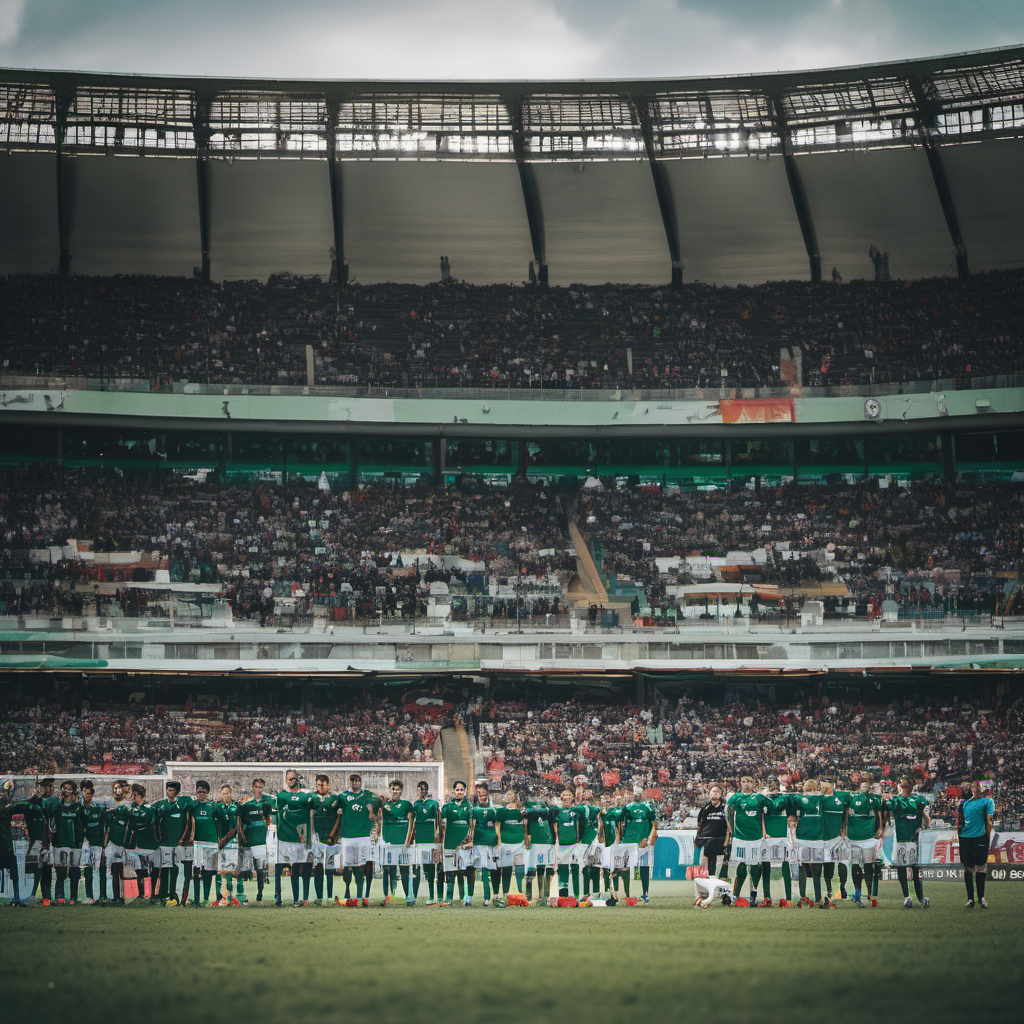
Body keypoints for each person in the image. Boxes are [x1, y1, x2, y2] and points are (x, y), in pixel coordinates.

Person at [726, 775, 767, 907]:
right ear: (740, 783)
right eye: (744, 781)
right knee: (742, 865)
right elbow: (728, 812)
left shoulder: (759, 798)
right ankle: (736, 895)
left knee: (755, 865)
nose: (746, 784)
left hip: (756, 837)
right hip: (740, 838)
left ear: (754, 783)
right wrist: (731, 829)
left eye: (749, 781)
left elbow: (767, 812)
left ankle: (753, 893)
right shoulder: (735, 798)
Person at [274, 769, 313, 908]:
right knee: (278, 868)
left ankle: (297, 899)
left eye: (293, 779)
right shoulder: (282, 796)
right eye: (289, 779)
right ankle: (278, 898)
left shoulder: (306, 796)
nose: (291, 781)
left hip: (299, 840)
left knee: (296, 869)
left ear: (297, 779)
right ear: (286, 780)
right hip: (283, 838)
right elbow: (277, 815)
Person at [891, 776, 930, 909]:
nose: (905, 787)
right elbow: (886, 811)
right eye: (903, 785)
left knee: (915, 868)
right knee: (901, 867)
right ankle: (907, 897)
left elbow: (924, 815)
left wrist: (925, 823)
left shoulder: (918, 800)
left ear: (912, 786)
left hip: (914, 839)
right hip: (901, 839)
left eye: (908, 785)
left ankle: (920, 897)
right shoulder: (896, 801)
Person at [339, 773, 376, 906]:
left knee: (362, 866)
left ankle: (361, 896)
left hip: (363, 836)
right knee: (348, 866)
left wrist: (371, 812)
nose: (355, 783)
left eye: (357, 781)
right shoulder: (343, 796)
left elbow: (371, 805)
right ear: (349, 782)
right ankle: (347, 893)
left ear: (360, 782)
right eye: (352, 781)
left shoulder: (367, 795)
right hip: (348, 836)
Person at [153, 780, 191, 907]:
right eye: (168, 790)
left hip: (178, 842)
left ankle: (173, 893)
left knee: (175, 867)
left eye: (173, 790)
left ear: (177, 792)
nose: (170, 793)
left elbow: (191, 803)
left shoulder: (182, 804)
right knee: (164, 868)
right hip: (165, 842)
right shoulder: (161, 805)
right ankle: (162, 894)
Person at [958, 777, 994, 909]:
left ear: (982, 788)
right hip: (966, 837)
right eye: (974, 786)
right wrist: (960, 835)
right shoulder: (965, 803)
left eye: (978, 786)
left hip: (981, 837)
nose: (976, 788)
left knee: (981, 867)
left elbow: (989, 819)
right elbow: (960, 821)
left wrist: (987, 834)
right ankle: (970, 899)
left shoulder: (987, 801)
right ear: (971, 789)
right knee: (968, 867)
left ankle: (981, 897)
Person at [847, 776, 883, 907]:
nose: (865, 787)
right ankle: (857, 894)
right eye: (863, 785)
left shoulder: (875, 799)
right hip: (854, 838)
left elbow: (879, 813)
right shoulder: (851, 798)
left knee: (869, 866)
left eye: (867, 785)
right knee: (856, 865)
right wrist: (844, 828)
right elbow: (845, 812)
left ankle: (870, 894)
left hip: (869, 838)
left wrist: (881, 827)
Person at [378, 780, 414, 906]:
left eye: (397, 789)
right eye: (393, 789)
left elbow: (411, 823)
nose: (395, 791)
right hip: (388, 843)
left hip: (402, 843)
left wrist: (408, 842)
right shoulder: (384, 805)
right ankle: (386, 896)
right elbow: (380, 821)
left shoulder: (407, 805)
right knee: (387, 869)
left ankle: (408, 896)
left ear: (401, 791)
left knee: (404, 869)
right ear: (389, 790)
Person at [237, 778, 273, 904]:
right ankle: (240, 894)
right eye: (256, 787)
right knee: (243, 868)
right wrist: (242, 838)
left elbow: (269, 818)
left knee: (260, 869)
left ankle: (260, 894)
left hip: (260, 841)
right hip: (248, 841)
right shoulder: (246, 805)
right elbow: (240, 821)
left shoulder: (267, 803)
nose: (258, 789)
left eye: (261, 787)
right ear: (253, 787)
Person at [791, 780, 826, 908]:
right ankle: (817, 897)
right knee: (816, 869)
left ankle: (802, 896)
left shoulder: (801, 799)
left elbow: (793, 817)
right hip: (816, 837)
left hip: (803, 836)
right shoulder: (820, 798)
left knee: (803, 867)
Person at [52, 780, 87, 905]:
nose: (67, 791)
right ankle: (59, 896)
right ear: (61, 789)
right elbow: (52, 823)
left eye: (69, 789)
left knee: (74, 872)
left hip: (74, 844)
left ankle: (73, 897)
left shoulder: (77, 806)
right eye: (65, 788)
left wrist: (80, 840)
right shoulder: (57, 805)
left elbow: (82, 824)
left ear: (73, 791)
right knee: (61, 872)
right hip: (60, 843)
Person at [620, 787, 658, 903]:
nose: (637, 795)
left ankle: (645, 893)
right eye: (636, 793)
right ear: (632, 795)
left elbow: (654, 822)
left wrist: (649, 837)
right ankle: (626, 894)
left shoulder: (648, 807)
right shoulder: (627, 807)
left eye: (640, 793)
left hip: (644, 841)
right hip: (629, 841)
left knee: (644, 866)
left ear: (643, 794)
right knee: (625, 866)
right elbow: (621, 822)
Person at [440, 780, 474, 906]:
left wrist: (470, 839)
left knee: (465, 871)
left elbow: (472, 824)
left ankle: (466, 898)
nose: (459, 792)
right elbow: (441, 824)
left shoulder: (469, 807)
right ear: (453, 791)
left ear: (465, 792)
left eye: (462, 790)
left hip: (464, 843)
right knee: (450, 871)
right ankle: (449, 899)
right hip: (450, 842)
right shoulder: (447, 806)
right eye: (457, 790)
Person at [310, 774, 342, 906]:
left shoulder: (335, 798)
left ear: (328, 785)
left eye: (323, 784)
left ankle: (329, 896)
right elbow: (310, 816)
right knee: (318, 868)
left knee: (329, 868)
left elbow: (339, 817)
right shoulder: (312, 798)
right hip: (317, 837)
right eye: (319, 784)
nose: (321, 787)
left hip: (331, 838)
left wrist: (334, 835)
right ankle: (318, 897)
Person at [126, 783, 160, 904]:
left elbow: (152, 822)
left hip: (150, 842)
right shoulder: (132, 808)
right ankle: (140, 895)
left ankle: (153, 895)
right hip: (137, 842)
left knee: (154, 868)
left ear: (141, 795)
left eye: (135, 794)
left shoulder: (150, 808)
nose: (133, 797)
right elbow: (131, 823)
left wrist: (140, 824)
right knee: (138, 867)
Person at [762, 778, 794, 907]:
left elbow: (790, 814)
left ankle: (788, 897)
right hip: (766, 833)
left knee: (785, 861)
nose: (773, 785)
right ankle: (766, 896)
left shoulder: (784, 797)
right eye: (770, 783)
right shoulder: (763, 796)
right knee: (765, 862)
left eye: (774, 783)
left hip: (781, 833)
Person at [190, 779, 220, 907]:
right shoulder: (192, 806)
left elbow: (218, 823)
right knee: (196, 870)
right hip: (197, 842)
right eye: (198, 791)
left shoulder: (213, 806)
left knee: (208, 871)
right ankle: (196, 899)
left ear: (207, 792)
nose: (200, 794)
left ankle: (206, 898)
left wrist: (219, 839)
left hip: (211, 842)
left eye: (203, 791)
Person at [523, 785, 555, 904]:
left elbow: (554, 811)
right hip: (534, 841)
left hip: (547, 840)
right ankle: (530, 892)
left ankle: (545, 893)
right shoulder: (528, 804)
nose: (539, 794)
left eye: (542, 792)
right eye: (536, 791)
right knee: (532, 867)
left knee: (547, 867)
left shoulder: (548, 806)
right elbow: (528, 815)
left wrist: (547, 805)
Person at [469, 782, 500, 907]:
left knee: (487, 871)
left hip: (490, 843)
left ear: (487, 793)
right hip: (477, 843)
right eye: (479, 794)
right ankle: (468, 896)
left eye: (483, 793)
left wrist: (498, 842)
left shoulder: (493, 810)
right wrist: (470, 840)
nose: (481, 796)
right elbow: (472, 826)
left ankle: (489, 897)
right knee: (471, 870)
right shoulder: (474, 810)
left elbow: (497, 826)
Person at [411, 780, 441, 906]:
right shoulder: (415, 805)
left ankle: (432, 896)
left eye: (424, 789)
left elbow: (439, 821)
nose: (422, 791)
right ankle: (413, 896)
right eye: (420, 789)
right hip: (418, 840)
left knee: (430, 868)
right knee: (416, 868)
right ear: (417, 790)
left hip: (431, 840)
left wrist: (438, 835)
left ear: (427, 790)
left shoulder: (434, 804)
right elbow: (412, 823)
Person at [552, 789, 585, 901]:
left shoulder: (576, 811)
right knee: (563, 870)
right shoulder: (557, 811)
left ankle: (576, 895)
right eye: (564, 795)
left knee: (575, 869)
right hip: (562, 845)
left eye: (569, 795)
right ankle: (563, 896)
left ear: (572, 798)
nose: (566, 798)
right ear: (561, 798)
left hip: (574, 845)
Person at [103, 779, 133, 905]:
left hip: (125, 844)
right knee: (114, 870)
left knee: (125, 872)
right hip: (113, 843)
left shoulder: (128, 805)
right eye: (115, 788)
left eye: (119, 788)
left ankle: (127, 897)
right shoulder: (108, 804)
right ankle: (116, 897)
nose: (117, 790)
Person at [819, 780, 849, 904]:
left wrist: (844, 827)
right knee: (834, 863)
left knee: (834, 863)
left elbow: (846, 810)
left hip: (832, 836)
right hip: (830, 836)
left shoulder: (825, 799)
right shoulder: (821, 799)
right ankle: (835, 888)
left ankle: (837, 888)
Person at [79, 780, 108, 905]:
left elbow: (104, 826)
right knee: (87, 869)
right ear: (82, 793)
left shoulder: (98, 809)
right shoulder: (78, 808)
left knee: (100, 869)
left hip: (97, 843)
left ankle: (102, 895)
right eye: (85, 793)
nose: (87, 795)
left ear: (92, 794)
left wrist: (104, 843)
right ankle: (89, 896)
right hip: (85, 843)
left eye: (89, 793)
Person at [694, 783, 729, 881]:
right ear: (709, 794)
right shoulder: (705, 809)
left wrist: (727, 841)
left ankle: (721, 891)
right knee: (706, 870)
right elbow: (700, 825)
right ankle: (705, 892)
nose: (715, 794)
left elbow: (729, 826)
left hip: (721, 841)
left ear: (721, 794)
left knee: (720, 869)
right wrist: (698, 840)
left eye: (717, 792)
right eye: (713, 792)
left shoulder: (725, 809)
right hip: (707, 842)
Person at [495, 789, 526, 899]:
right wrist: (498, 840)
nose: (509, 796)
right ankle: (504, 893)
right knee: (506, 869)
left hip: (520, 843)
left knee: (520, 868)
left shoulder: (522, 812)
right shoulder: (502, 812)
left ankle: (521, 892)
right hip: (505, 843)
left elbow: (525, 826)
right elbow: (497, 825)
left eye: (511, 794)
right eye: (507, 794)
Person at [214, 784, 241, 907]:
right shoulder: (217, 807)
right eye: (224, 793)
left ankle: (230, 897)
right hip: (219, 843)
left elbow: (239, 825)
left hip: (232, 842)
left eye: (228, 793)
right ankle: (218, 897)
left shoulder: (236, 807)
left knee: (230, 870)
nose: (226, 796)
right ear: (221, 795)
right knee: (219, 870)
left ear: (231, 794)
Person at [0, 777, 26, 906]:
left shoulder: (8, 807)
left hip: (6, 843)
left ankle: (16, 898)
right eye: (6, 792)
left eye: (10, 792)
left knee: (13, 868)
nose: (9, 795)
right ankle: (16, 898)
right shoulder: (5, 807)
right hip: (4, 843)